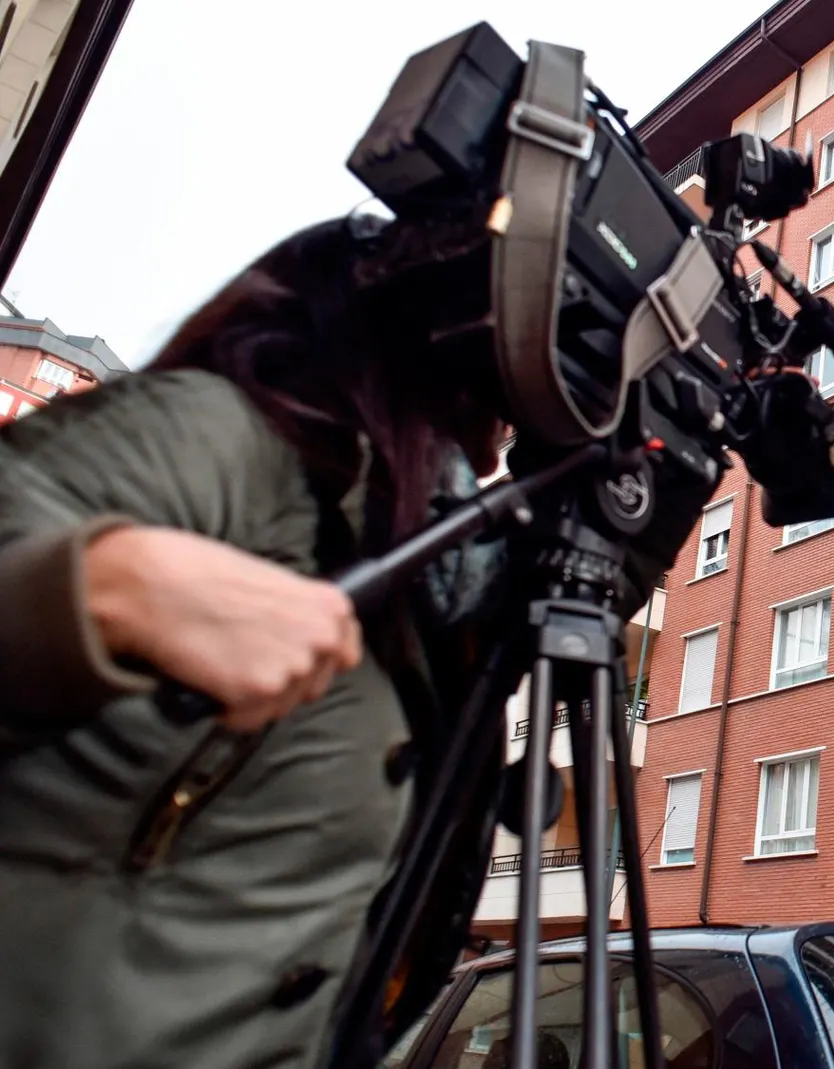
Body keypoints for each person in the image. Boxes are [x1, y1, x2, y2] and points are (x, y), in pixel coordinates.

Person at [0, 215, 514, 1069]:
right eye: (480, 407)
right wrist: (110, 585)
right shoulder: (220, 436)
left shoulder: (400, 569)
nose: (491, 448)